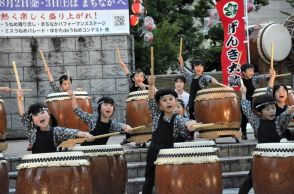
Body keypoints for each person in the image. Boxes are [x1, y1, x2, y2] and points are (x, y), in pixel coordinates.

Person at [141, 75, 197, 194]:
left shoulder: (177, 119)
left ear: (176, 101)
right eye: (164, 100)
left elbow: (184, 122)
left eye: (171, 99)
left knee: (168, 181)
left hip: (169, 153)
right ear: (159, 105)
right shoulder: (156, 115)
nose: (168, 102)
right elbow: (151, 99)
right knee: (149, 180)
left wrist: (189, 123)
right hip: (154, 152)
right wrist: (151, 85)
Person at [238, 85, 294, 194]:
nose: (271, 111)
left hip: (279, 158)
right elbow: (246, 109)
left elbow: (284, 116)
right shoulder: (256, 122)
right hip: (261, 158)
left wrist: (289, 111)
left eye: (273, 108)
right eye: (267, 109)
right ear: (260, 111)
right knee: (250, 180)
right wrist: (243, 94)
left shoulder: (278, 122)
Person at [16, 90, 93, 154]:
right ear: (32, 120)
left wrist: (85, 134)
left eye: (42, 113)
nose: (40, 116)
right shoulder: (32, 132)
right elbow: (23, 115)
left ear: (49, 115)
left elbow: (72, 132)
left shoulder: (56, 131)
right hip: (37, 169)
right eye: (36, 115)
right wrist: (19, 98)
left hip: (52, 168)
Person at [229, 63, 270, 140]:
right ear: (243, 72)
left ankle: (256, 131)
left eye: (253, 71)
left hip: (254, 100)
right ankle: (244, 133)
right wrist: (234, 72)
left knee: (256, 116)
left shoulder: (254, 79)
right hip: (245, 100)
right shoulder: (239, 80)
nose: (252, 73)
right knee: (244, 118)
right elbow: (231, 81)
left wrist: (269, 75)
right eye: (250, 71)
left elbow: (261, 77)